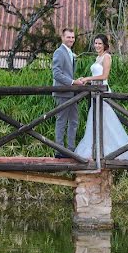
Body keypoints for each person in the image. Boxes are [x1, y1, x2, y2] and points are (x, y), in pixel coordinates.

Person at [74, 34, 128, 162]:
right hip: (95, 91)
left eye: (99, 43)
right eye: (95, 43)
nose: (97, 46)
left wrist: (88, 78)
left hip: (102, 92)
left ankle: (111, 150)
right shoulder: (98, 58)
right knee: (97, 121)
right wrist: (85, 80)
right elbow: (96, 74)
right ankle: (98, 149)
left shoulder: (107, 57)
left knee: (106, 121)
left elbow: (104, 76)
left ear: (105, 45)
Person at [51, 28, 83, 157]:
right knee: (61, 121)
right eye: (68, 37)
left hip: (71, 93)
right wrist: (73, 82)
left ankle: (70, 149)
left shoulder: (70, 52)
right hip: (62, 92)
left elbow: (68, 73)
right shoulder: (59, 52)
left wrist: (76, 80)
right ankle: (59, 151)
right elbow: (56, 74)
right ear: (62, 38)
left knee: (74, 121)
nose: (71, 39)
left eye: (73, 37)